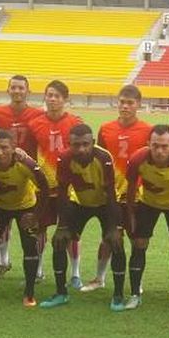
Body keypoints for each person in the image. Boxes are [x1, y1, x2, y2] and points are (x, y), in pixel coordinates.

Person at [39, 124, 126, 310]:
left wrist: (114, 227)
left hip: (106, 204)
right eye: (76, 145)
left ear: (93, 143)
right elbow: (62, 192)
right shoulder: (65, 158)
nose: (81, 149)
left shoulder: (104, 158)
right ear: (69, 144)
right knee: (59, 240)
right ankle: (61, 293)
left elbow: (111, 194)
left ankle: (118, 295)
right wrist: (62, 225)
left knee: (116, 241)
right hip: (79, 203)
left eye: (85, 144)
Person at [83, 84, 152, 292]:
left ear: (138, 104)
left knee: (137, 240)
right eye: (122, 102)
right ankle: (99, 278)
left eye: (130, 103)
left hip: (136, 195)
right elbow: (99, 158)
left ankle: (136, 283)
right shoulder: (105, 128)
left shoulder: (147, 130)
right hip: (111, 194)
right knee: (108, 237)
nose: (125, 107)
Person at [0, 129, 49, 307]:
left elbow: (45, 188)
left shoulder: (26, 164)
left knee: (29, 246)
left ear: (14, 147)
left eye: (4, 148)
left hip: (25, 207)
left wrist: (36, 215)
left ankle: (29, 294)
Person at [124, 124, 169, 311]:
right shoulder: (138, 159)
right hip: (148, 203)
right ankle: (134, 295)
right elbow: (130, 189)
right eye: (155, 145)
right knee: (139, 245)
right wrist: (130, 215)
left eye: (164, 146)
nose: (159, 151)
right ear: (148, 144)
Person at [27, 80, 83, 287]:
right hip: (43, 187)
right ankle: (39, 269)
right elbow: (30, 154)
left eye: (57, 96)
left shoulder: (76, 123)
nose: (52, 99)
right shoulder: (35, 124)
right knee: (40, 229)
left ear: (65, 99)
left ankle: (75, 273)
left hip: (68, 188)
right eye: (49, 95)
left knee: (70, 230)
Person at [0, 75, 44, 278]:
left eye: (21, 88)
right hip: (4, 168)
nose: (17, 91)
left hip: (29, 171)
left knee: (33, 221)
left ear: (28, 91)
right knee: (4, 216)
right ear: (8, 90)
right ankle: (4, 260)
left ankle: (38, 267)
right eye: (14, 87)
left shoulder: (38, 114)